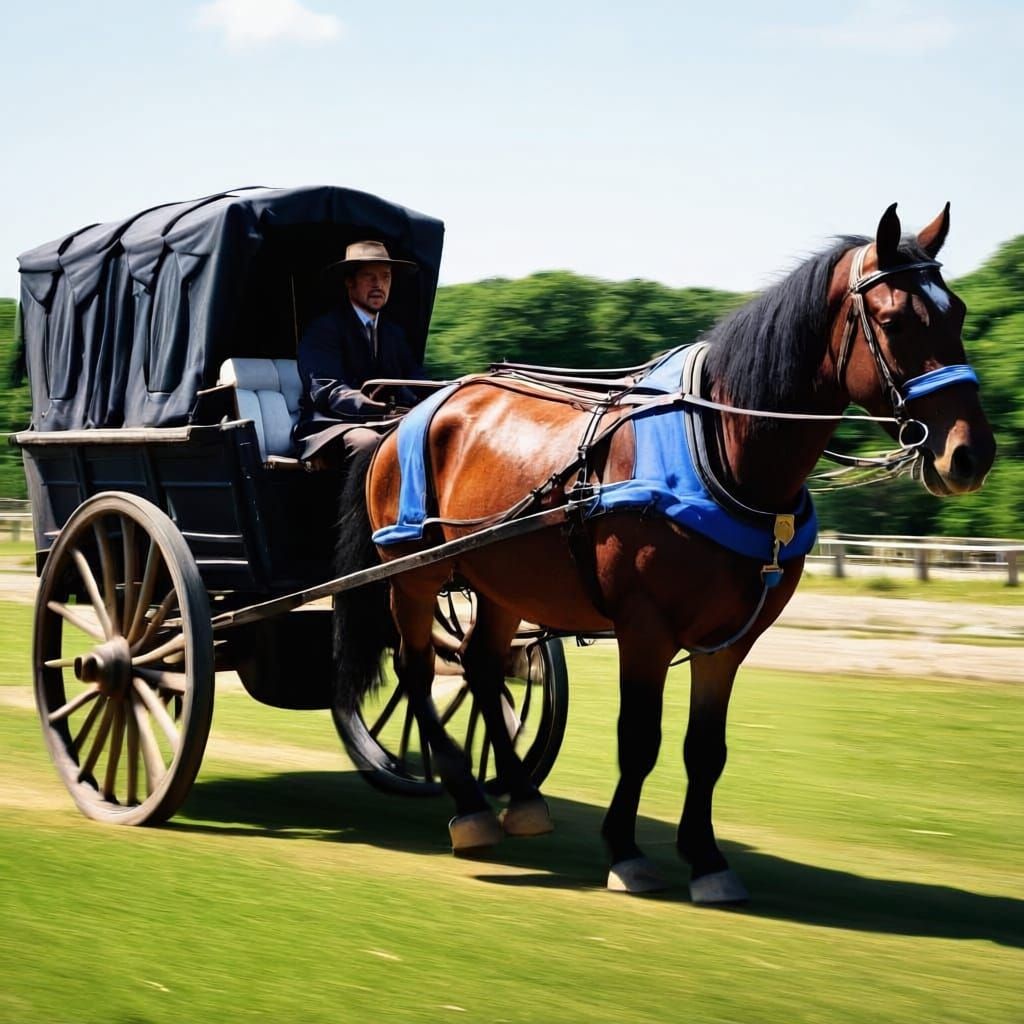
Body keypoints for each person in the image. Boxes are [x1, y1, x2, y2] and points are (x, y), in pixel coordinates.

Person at [293, 240, 425, 463]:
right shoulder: (324, 329)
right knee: (370, 444)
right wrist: (385, 410)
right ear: (349, 282)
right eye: (369, 276)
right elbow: (329, 391)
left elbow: (416, 379)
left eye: (385, 277)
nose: (378, 284)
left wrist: (449, 395)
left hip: (387, 419)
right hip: (330, 425)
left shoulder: (394, 334)